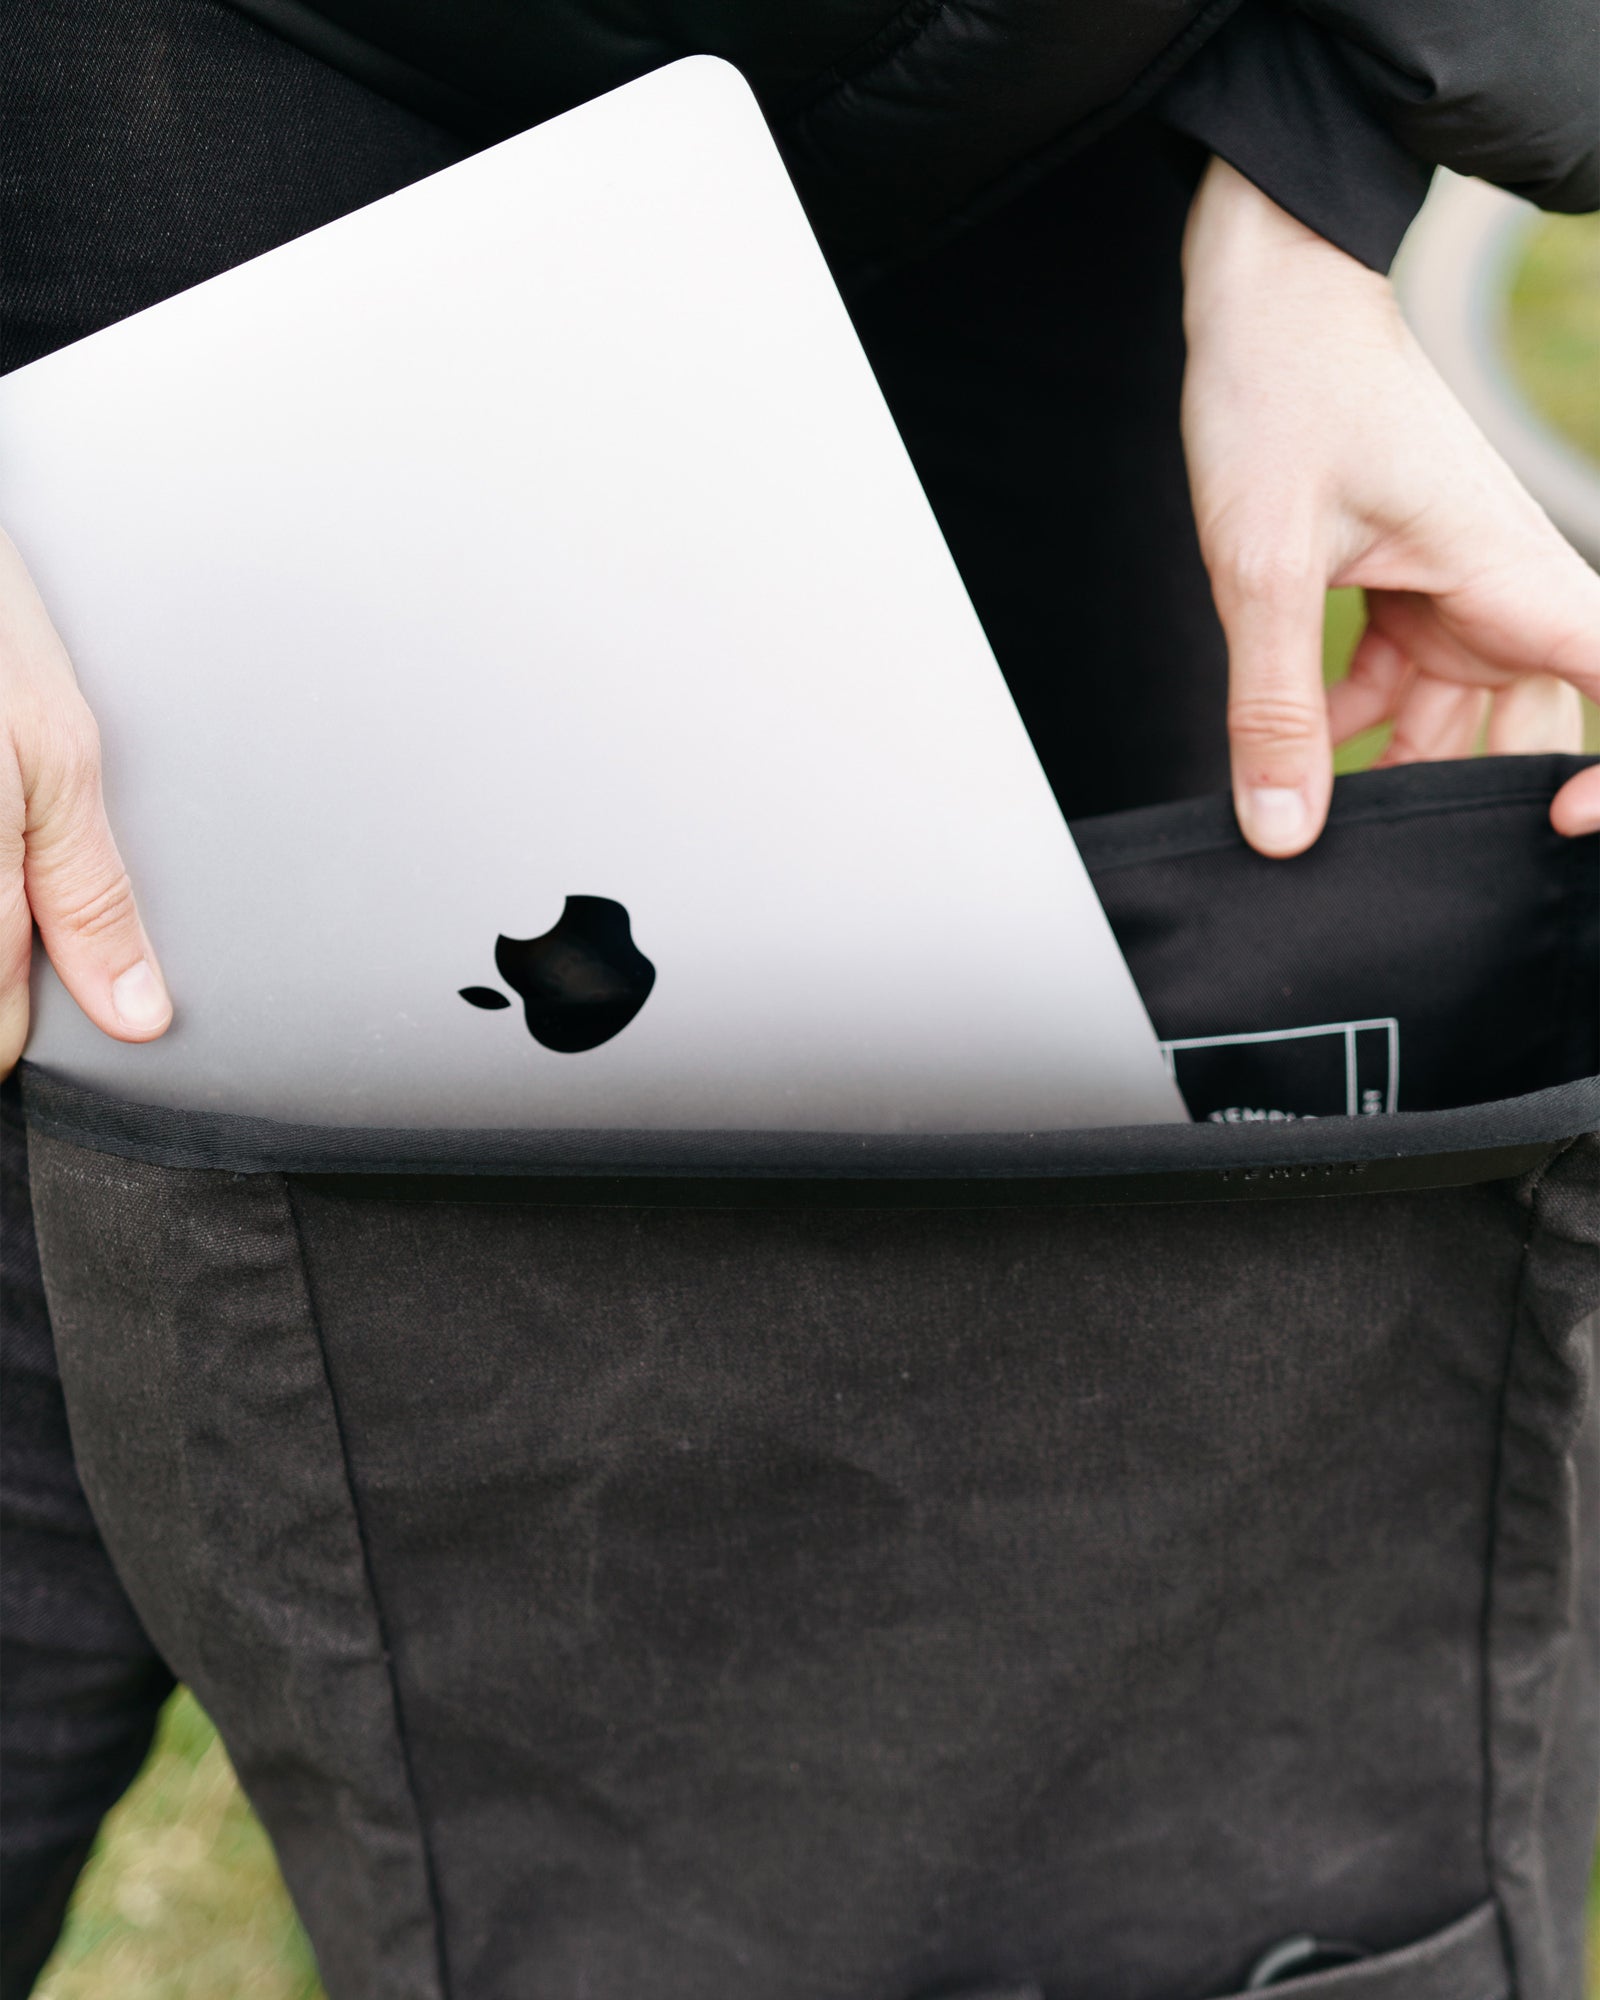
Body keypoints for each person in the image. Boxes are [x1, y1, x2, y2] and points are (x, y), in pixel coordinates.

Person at [1, 0, 1597, 1992]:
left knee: (1080, 1364)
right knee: (82, 1316)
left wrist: (1310, 171)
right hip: (190, 96)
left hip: (1056, 112)